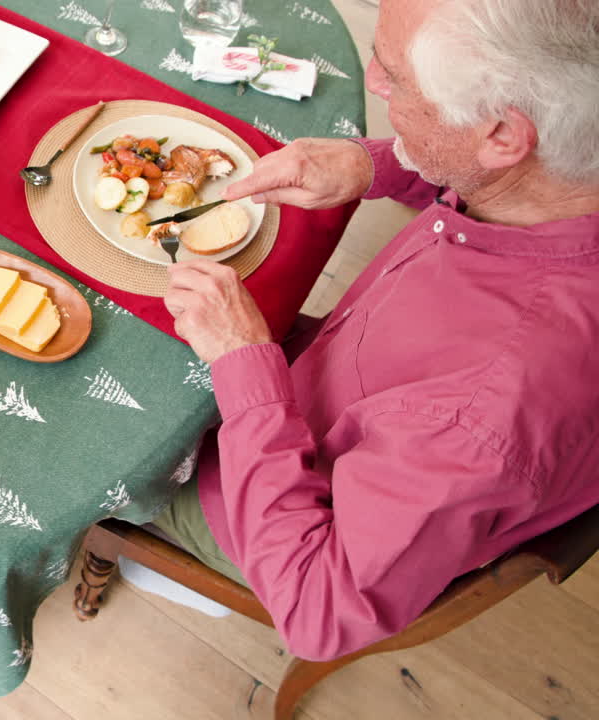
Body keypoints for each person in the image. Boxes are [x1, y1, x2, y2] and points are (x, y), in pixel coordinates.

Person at [154, 0, 599, 661]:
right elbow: (510, 181)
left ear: (503, 135)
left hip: (277, 516)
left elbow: (316, 613)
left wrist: (245, 362)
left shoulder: (486, 412)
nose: (373, 81)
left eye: (396, 77)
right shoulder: (566, 163)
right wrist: (376, 165)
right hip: (337, 384)